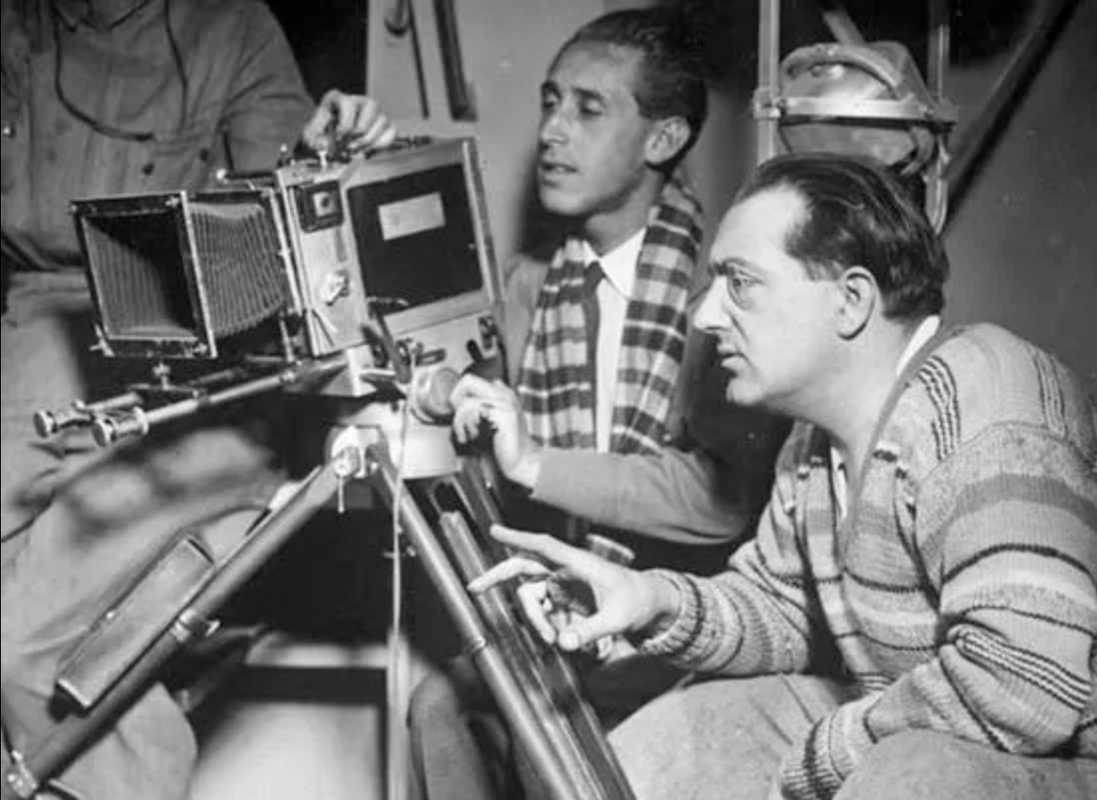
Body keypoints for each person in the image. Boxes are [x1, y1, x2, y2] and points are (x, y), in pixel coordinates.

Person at [465, 153, 1097, 800]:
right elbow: (781, 609)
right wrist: (648, 598)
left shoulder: (989, 399)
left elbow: (1025, 684)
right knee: (657, 756)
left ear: (850, 301)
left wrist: (821, 763)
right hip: (909, 718)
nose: (706, 316)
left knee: (910, 775)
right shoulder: (810, 443)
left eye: (740, 283)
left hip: (1057, 754)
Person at [1, 2, 394, 798]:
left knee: (27, 643)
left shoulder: (229, 27)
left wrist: (319, 154)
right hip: (40, 324)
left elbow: (283, 214)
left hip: (200, 347)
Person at [406, 8, 788, 800]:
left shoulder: (720, 297)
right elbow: (461, 403)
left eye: (588, 109)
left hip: (685, 622)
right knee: (442, 702)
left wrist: (536, 464)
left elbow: (718, 503)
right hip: (559, 609)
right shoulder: (529, 286)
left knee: (563, 742)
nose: (551, 131)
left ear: (663, 138)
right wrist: (450, 399)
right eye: (550, 102)